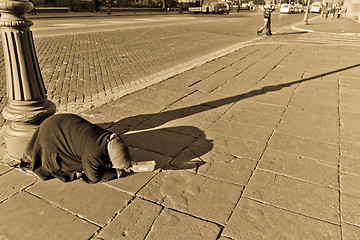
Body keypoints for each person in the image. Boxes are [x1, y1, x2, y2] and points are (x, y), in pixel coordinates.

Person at [20, 113, 132, 184]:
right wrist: (114, 172)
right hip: (51, 135)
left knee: (80, 151)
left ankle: (28, 157)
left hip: (57, 121)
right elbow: (93, 177)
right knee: (75, 166)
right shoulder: (93, 154)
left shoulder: (109, 136)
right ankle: (29, 161)